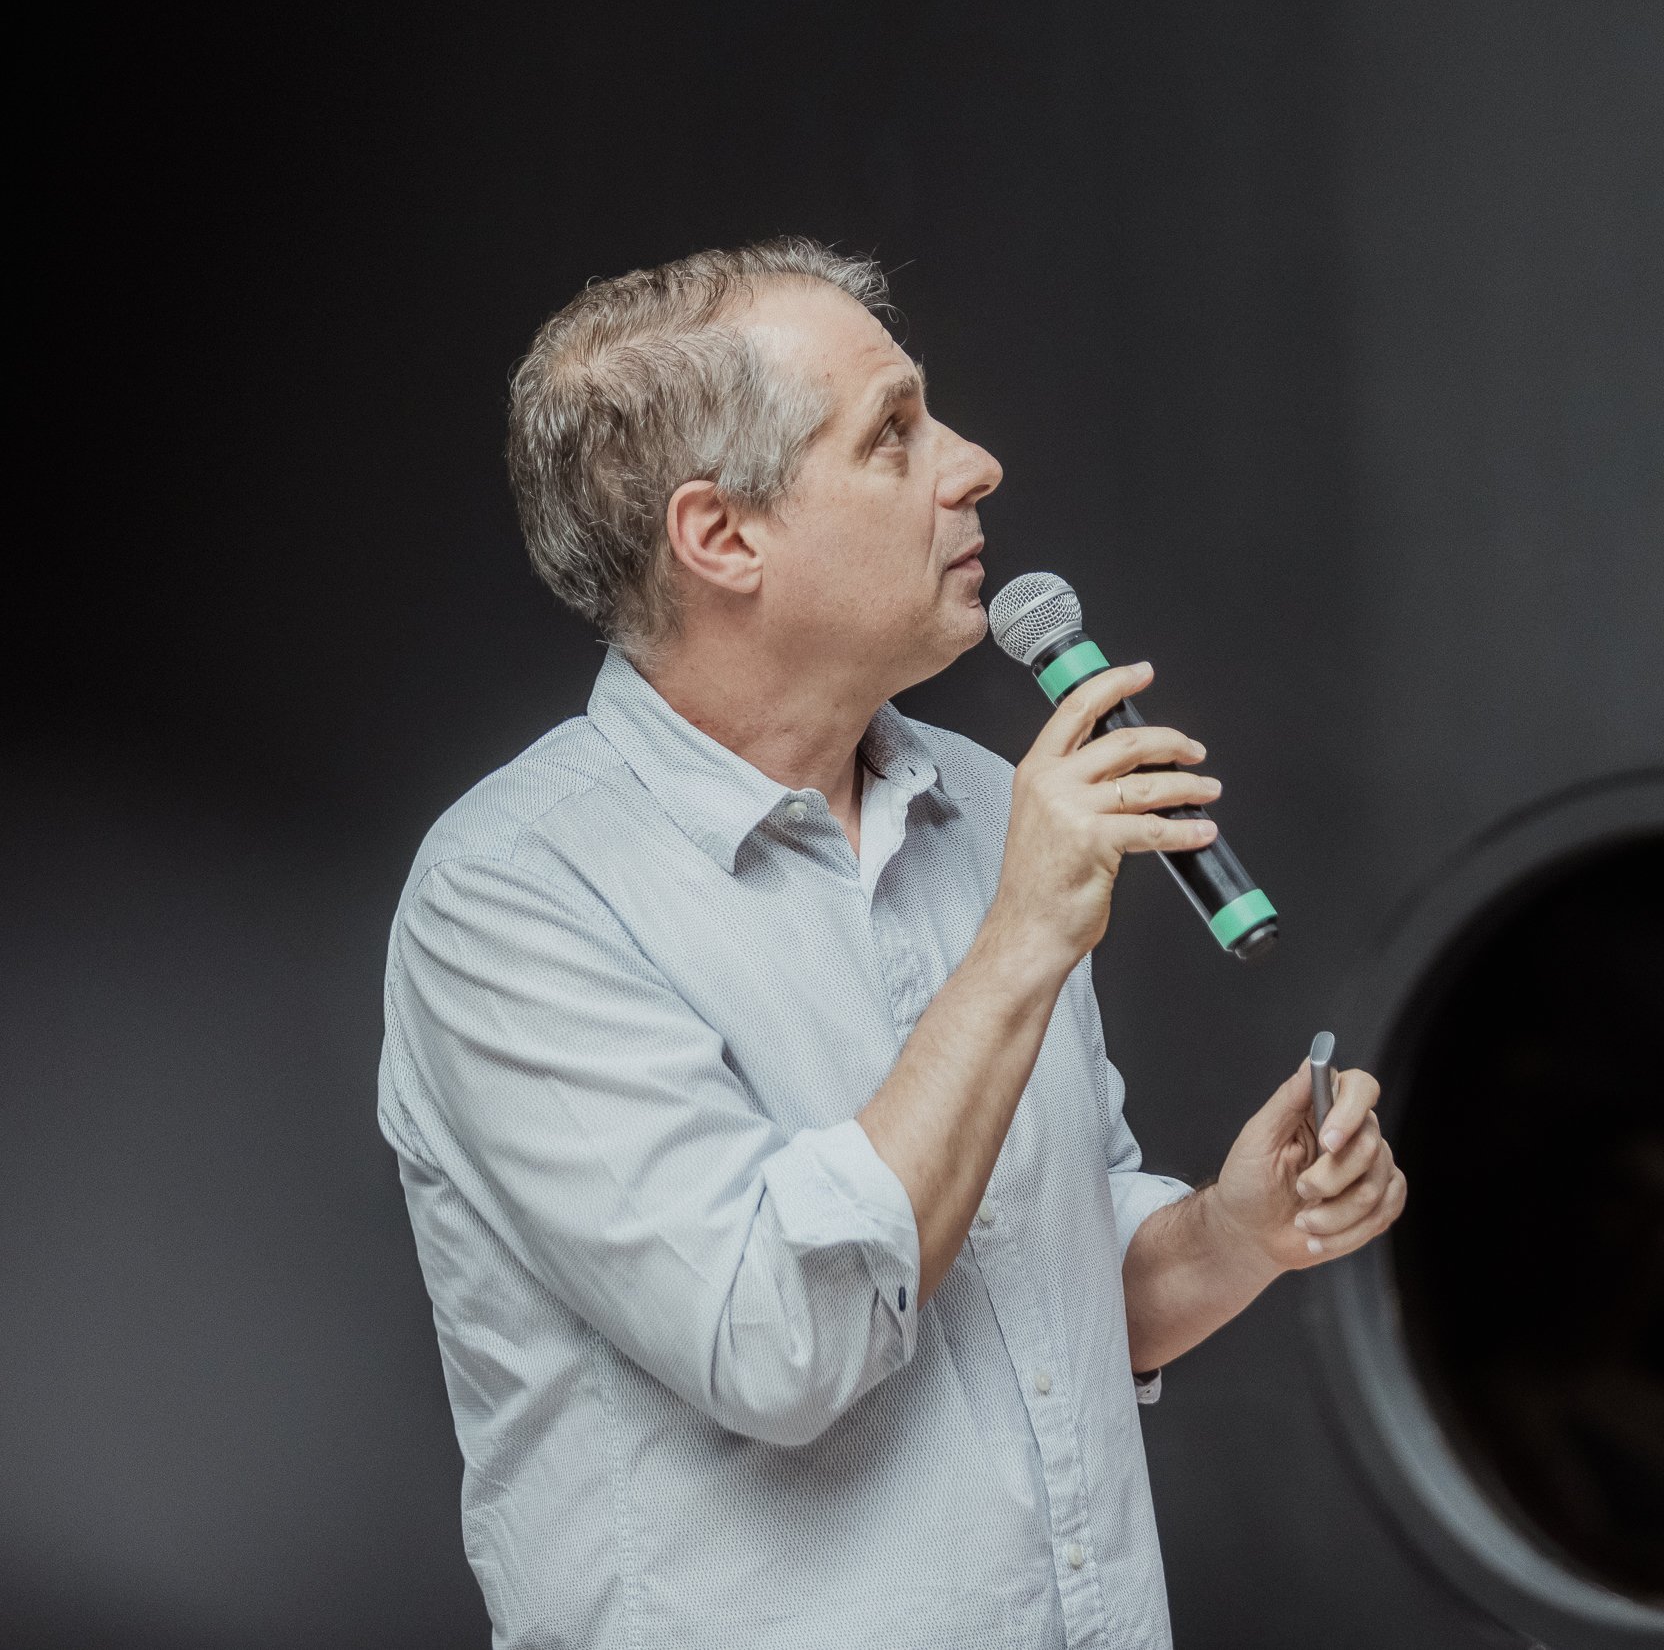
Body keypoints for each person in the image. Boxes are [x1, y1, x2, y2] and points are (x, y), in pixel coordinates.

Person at [376, 237, 1407, 1650]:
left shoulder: (980, 806)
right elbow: (780, 1342)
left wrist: (1235, 1233)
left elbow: (1039, 1294)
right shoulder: (514, 895)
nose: (974, 464)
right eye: (894, 433)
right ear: (722, 537)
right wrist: (1022, 940)